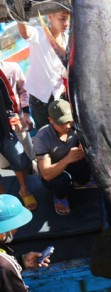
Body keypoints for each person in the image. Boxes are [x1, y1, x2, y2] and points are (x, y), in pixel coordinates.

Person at [33, 99, 91, 216]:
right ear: (50, 120)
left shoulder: (75, 126)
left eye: (69, 121)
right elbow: (46, 174)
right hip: (53, 173)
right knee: (63, 181)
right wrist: (67, 159)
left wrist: (84, 149)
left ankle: (78, 183)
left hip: (71, 163)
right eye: (62, 122)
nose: (67, 126)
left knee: (87, 168)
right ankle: (60, 196)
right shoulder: (42, 137)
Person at [17, 11, 70, 130]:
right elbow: (25, 33)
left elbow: (65, 72)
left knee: (68, 132)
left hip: (60, 97)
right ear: (50, 16)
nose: (66, 23)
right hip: (39, 99)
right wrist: (19, 14)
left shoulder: (67, 40)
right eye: (62, 19)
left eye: (68, 19)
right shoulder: (39, 33)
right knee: (45, 134)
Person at [0, 70, 36, 211]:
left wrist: (12, 116)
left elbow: (8, 98)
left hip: (3, 129)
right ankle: (2, 199)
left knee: (19, 159)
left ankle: (24, 190)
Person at [0, 194, 51, 291]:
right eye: (13, 226)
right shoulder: (4, 265)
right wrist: (11, 266)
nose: (15, 230)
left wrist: (20, 262)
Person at [0, 54, 34, 160]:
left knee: (28, 152)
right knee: (6, 161)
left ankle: (33, 171)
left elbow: (23, 91)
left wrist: (26, 114)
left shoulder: (13, 68)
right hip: (1, 124)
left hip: (18, 117)